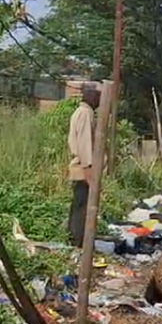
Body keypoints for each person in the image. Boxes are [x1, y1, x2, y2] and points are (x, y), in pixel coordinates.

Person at [66, 87, 100, 247]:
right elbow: (85, 144)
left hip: (79, 166)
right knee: (82, 205)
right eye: (97, 98)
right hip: (82, 167)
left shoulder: (79, 112)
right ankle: (78, 240)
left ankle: (73, 236)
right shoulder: (86, 114)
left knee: (78, 203)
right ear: (91, 99)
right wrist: (89, 171)